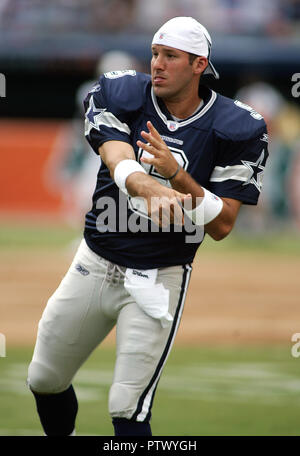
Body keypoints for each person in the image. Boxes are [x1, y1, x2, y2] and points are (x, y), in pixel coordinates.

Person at [27, 16, 269, 436]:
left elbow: (224, 224)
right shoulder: (122, 92)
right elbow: (115, 155)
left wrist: (177, 176)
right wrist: (144, 186)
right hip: (95, 263)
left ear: (199, 64)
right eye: (155, 53)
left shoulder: (237, 125)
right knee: (44, 379)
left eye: (170, 56)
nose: (157, 63)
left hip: (160, 277)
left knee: (128, 407)